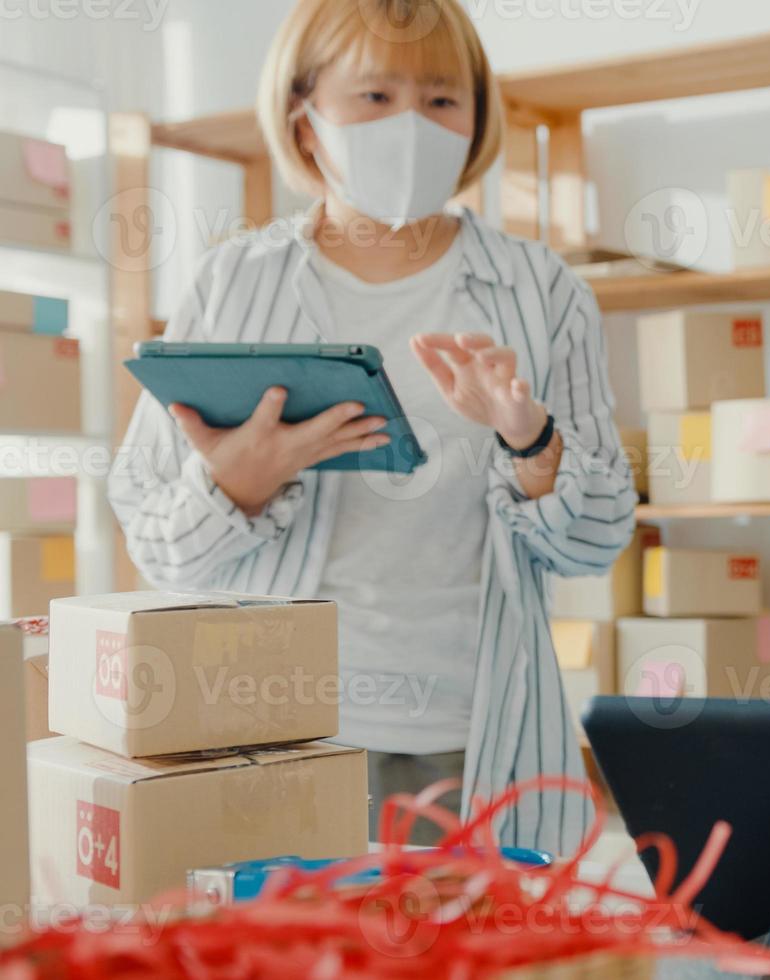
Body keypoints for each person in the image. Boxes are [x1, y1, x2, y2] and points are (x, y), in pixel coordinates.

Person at [107, 0, 636, 854]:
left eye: (440, 100)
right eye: (376, 97)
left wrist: (531, 444)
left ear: (476, 119)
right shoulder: (235, 283)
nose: (414, 127)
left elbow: (597, 542)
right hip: (279, 737)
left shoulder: (541, 290)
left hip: (478, 736)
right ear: (305, 118)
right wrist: (237, 483)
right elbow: (155, 544)